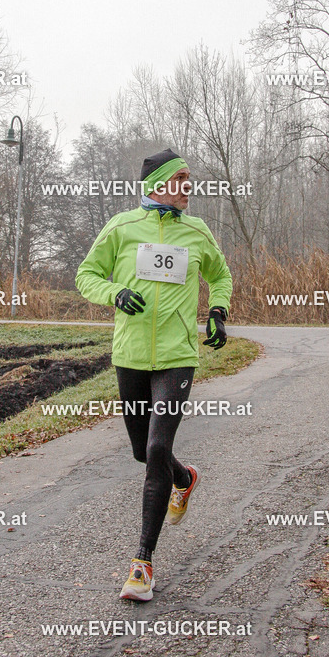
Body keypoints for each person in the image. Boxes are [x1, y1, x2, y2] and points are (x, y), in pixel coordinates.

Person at [75, 148, 233, 600]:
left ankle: (142, 564)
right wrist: (115, 293)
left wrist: (218, 311)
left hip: (177, 354)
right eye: (181, 179)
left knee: (159, 444)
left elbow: (221, 276)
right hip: (129, 355)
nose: (188, 187)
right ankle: (184, 479)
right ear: (157, 185)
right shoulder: (122, 228)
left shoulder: (198, 231)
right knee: (144, 454)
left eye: (190, 179)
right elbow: (86, 274)